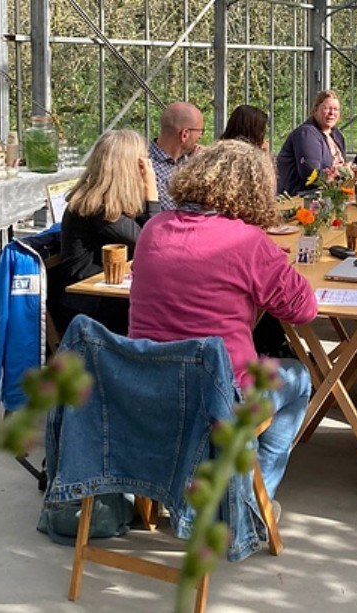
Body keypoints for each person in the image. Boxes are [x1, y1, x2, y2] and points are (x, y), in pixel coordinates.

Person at [128, 139, 317, 500]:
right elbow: (304, 310)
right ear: (255, 191)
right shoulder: (247, 242)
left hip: (147, 387)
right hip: (219, 395)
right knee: (298, 375)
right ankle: (250, 499)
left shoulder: (154, 228)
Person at [49, 130, 158, 335]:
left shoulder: (107, 202)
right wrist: (151, 191)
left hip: (100, 299)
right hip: (88, 308)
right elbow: (152, 244)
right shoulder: (98, 208)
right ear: (128, 167)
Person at [220, 104, 293, 359]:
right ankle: (272, 343)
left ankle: (272, 340)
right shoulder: (242, 160)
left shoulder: (218, 152)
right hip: (240, 237)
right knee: (264, 285)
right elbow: (265, 198)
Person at [276, 90, 347, 195]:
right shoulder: (306, 134)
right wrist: (339, 173)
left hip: (330, 193)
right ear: (315, 110)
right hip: (302, 198)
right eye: (326, 108)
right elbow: (310, 175)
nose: (332, 113)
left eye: (335, 109)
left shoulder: (337, 135)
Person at [149, 101, 204, 210]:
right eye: (200, 131)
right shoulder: (150, 168)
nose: (201, 136)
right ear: (185, 134)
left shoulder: (186, 159)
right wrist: (198, 173)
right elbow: (176, 213)